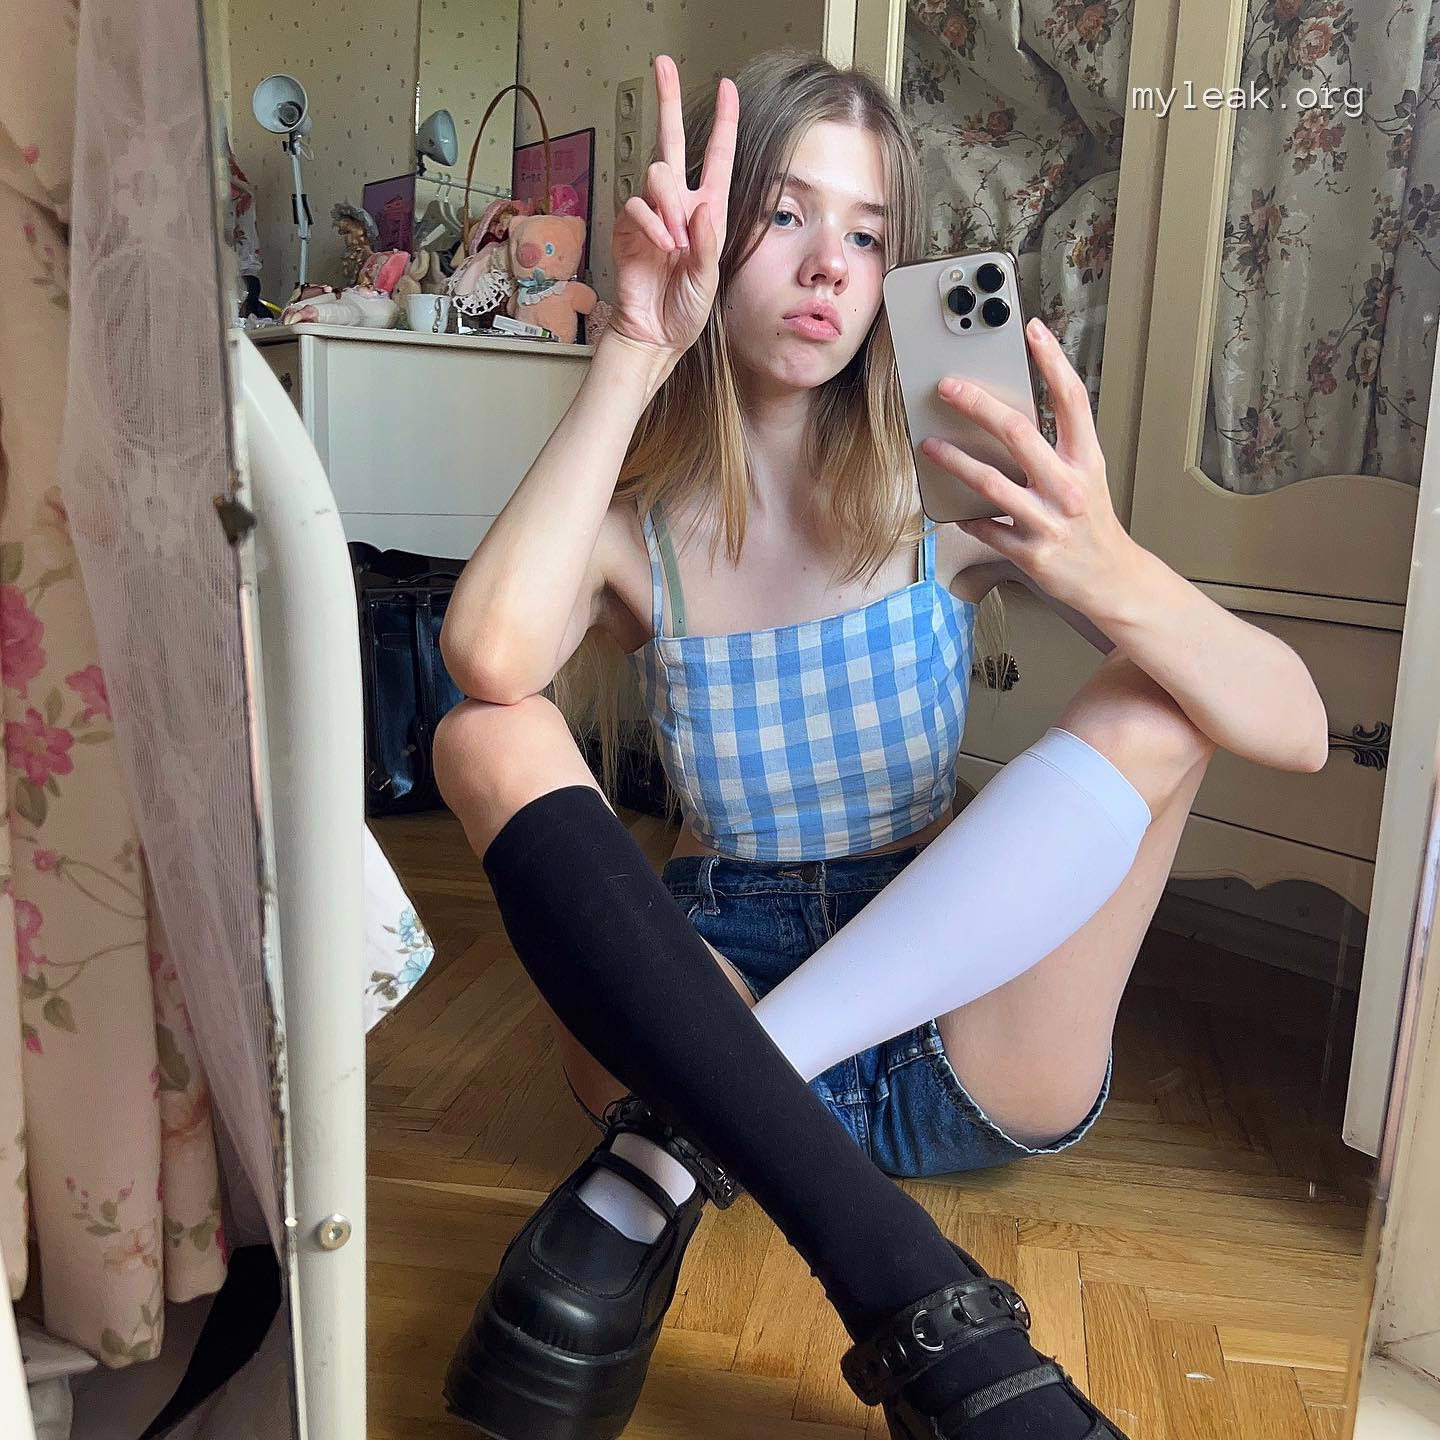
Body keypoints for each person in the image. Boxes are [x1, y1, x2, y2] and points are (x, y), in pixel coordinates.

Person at [431, 48, 1330, 1440]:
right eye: (784, 216)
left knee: (1162, 693)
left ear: (895, 275)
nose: (826, 268)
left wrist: (1103, 567)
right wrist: (635, 345)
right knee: (487, 738)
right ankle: (896, 1281)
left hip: (944, 1022)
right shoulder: (633, 535)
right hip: (709, 990)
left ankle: (672, 1154)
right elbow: (486, 664)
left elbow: (1297, 726)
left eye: (865, 235)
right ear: (713, 236)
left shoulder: (946, 504)